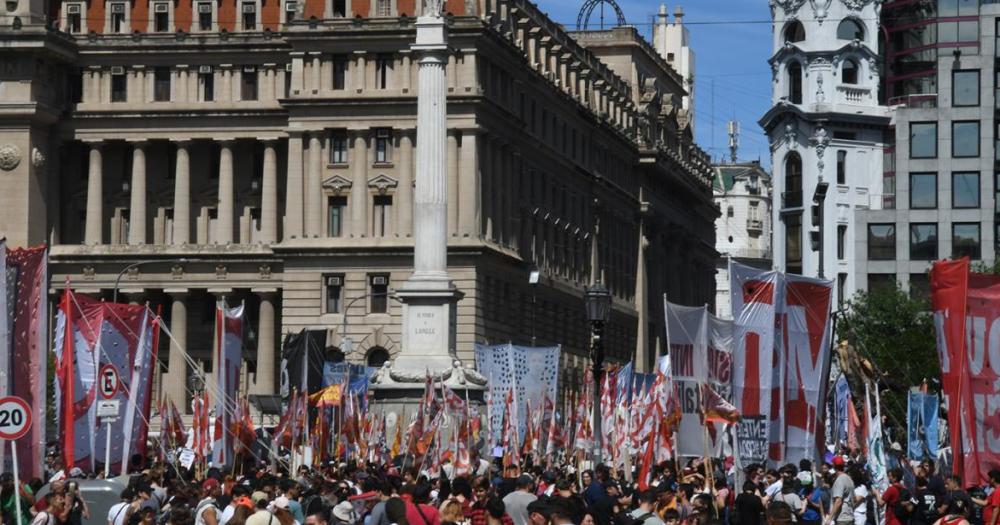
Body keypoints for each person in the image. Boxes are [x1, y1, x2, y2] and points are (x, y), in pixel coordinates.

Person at [825, 457, 854, 525]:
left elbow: (838, 501)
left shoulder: (840, 480)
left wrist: (829, 518)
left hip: (842, 519)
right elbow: (854, 499)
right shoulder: (849, 479)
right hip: (849, 517)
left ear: (834, 466)